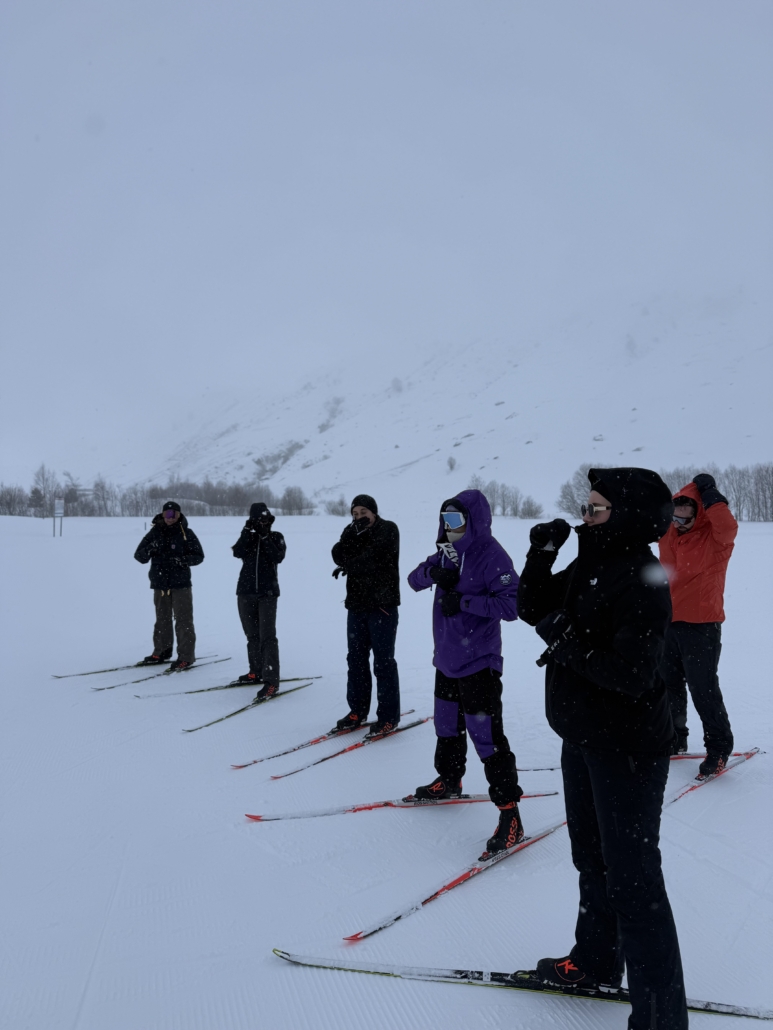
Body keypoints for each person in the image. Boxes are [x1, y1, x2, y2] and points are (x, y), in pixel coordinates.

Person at [517, 467, 687, 1030]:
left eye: (595, 509)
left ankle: (661, 1020)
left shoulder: (642, 578)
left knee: (634, 881)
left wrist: (567, 643)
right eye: (584, 507)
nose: (584, 517)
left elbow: (633, 675)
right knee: (591, 861)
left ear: (628, 516)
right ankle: (594, 962)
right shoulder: (590, 562)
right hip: (584, 736)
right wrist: (541, 553)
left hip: (628, 749)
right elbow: (531, 607)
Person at [406, 490, 523, 859]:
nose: (449, 526)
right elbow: (412, 580)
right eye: (445, 519)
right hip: (446, 659)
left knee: (486, 737)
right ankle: (449, 780)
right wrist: (432, 572)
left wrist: (465, 601)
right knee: (446, 726)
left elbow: (512, 604)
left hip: (479, 662)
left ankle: (510, 815)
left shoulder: (492, 554)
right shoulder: (446, 552)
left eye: (456, 519)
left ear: (475, 520)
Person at [658, 474, 737, 776]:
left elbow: (727, 525)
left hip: (702, 625)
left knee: (703, 689)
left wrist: (709, 492)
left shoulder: (715, 540)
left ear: (700, 513)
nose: (678, 524)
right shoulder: (669, 533)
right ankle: (674, 738)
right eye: (674, 518)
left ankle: (718, 748)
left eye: (685, 518)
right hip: (669, 622)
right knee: (668, 686)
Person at [330, 494, 401, 738]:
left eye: (363, 512)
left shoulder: (388, 529)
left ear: (373, 512)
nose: (359, 517)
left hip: (382, 607)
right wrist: (349, 538)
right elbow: (337, 553)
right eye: (355, 513)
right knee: (356, 661)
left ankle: (388, 717)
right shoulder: (352, 531)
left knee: (383, 663)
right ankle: (357, 711)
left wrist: (349, 562)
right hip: (356, 606)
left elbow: (374, 558)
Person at [134, 501, 205, 670]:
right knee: (162, 620)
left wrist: (183, 560)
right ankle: (161, 652)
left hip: (181, 585)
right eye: (167, 514)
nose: (170, 518)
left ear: (179, 515)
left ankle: (186, 657)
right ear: (162, 514)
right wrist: (150, 548)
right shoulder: (154, 533)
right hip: (160, 585)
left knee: (183, 621)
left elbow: (199, 556)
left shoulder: (186, 533)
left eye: (174, 514)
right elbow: (139, 556)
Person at [232, 502, 287, 701]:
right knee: (252, 635)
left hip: (267, 593)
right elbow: (237, 552)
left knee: (268, 636)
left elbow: (278, 556)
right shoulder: (249, 537)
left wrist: (264, 536)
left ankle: (271, 680)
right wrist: (247, 531)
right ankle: (256, 671)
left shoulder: (276, 536)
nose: (263, 523)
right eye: (259, 520)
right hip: (245, 592)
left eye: (266, 519)